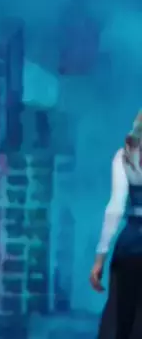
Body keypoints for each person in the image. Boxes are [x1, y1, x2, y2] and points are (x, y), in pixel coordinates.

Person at [91, 110, 142, 339]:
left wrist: (100, 258)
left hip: (130, 244)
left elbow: (115, 208)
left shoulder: (125, 157)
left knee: (121, 320)